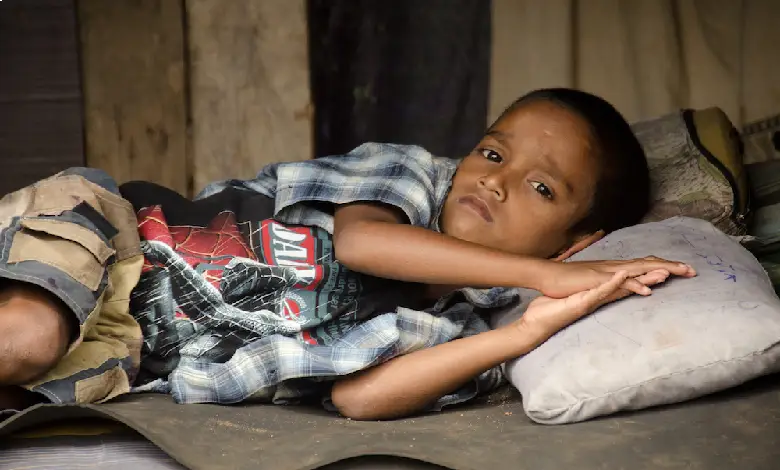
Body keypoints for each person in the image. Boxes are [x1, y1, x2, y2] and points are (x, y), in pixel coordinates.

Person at [0, 88, 695, 419]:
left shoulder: (460, 333)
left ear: (581, 243)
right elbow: (363, 244)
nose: (494, 180)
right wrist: (545, 274)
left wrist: (529, 326)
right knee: (27, 336)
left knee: (25, 391)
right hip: (108, 238)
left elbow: (359, 398)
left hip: (122, 353)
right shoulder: (410, 178)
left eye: (540, 187)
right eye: (492, 152)